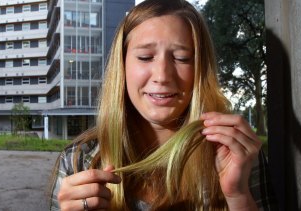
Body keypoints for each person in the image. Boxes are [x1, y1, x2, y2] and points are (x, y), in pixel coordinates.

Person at [49, 0, 276, 210]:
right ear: (122, 65)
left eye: (182, 58)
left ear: (200, 69)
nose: (163, 75)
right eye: (146, 57)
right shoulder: (79, 159)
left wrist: (237, 195)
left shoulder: (236, 155)